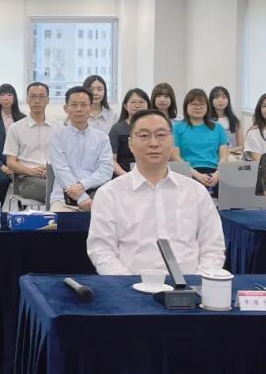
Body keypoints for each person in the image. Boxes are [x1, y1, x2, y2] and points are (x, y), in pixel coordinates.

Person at [87, 109, 226, 275]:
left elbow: (213, 247)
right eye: (144, 135)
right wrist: (127, 284)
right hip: (131, 286)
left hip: (191, 285)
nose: (154, 143)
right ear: (130, 143)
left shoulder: (195, 192)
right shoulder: (109, 194)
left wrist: (198, 282)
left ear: (172, 141)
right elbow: (102, 250)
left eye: (161, 135)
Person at [48, 87, 114, 212]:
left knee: (111, 218)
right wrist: (82, 197)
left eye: (83, 105)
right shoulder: (57, 136)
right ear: (66, 108)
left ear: (91, 108)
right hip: (63, 197)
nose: (79, 109)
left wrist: (83, 186)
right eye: (74, 105)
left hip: (96, 195)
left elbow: (105, 170)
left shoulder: (102, 138)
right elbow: (61, 170)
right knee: (59, 221)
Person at [3, 82, 56, 203]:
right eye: (33, 96)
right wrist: (32, 171)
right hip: (27, 179)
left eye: (41, 96)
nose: (37, 100)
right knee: (54, 190)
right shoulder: (16, 128)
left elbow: (65, 157)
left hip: (54, 175)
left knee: (69, 187)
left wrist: (50, 168)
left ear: (48, 100)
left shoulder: (58, 127)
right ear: (27, 99)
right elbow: (10, 163)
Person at [173, 88, 229, 197]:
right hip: (187, 172)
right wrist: (196, 175)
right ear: (186, 106)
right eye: (193, 104)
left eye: (201, 104)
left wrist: (218, 173)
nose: (198, 107)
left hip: (214, 172)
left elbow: (223, 157)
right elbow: (175, 156)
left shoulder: (218, 128)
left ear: (207, 107)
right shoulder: (177, 128)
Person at [109, 88, 150, 177]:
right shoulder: (117, 129)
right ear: (125, 106)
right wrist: (127, 176)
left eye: (142, 102)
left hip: (149, 174)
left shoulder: (153, 127)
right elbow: (112, 160)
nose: (137, 106)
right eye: (133, 102)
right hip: (123, 176)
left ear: (148, 105)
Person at [210, 86, 244, 155]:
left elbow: (241, 146)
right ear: (211, 101)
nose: (220, 100)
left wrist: (229, 150)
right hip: (213, 155)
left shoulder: (235, 121)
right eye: (216, 97)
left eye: (224, 97)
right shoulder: (207, 121)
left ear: (228, 100)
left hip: (231, 155)